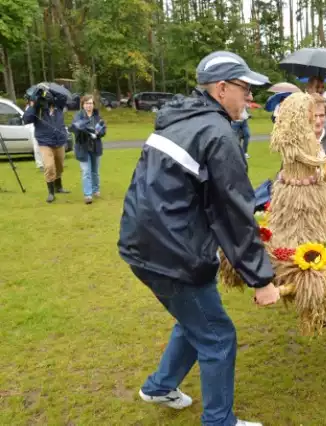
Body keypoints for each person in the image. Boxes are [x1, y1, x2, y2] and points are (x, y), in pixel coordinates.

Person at [118, 51, 280, 426]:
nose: (250, 98)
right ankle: (219, 421)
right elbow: (233, 215)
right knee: (218, 337)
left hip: (141, 244)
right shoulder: (217, 133)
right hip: (174, 254)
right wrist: (262, 279)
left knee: (195, 320)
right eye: (245, 88)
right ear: (222, 89)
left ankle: (160, 386)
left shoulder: (180, 119)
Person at [23, 84, 71, 203]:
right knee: (49, 166)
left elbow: (64, 97)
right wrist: (34, 103)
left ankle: (59, 187)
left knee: (59, 165)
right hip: (45, 142)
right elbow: (26, 119)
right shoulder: (38, 109)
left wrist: (50, 90)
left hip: (59, 140)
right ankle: (51, 192)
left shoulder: (58, 106)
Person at [70, 95, 106, 204]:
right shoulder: (78, 116)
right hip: (83, 147)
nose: (89, 105)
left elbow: (104, 131)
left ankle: (95, 190)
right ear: (83, 104)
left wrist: (98, 133)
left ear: (93, 104)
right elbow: (75, 128)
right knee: (86, 171)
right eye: (86, 103)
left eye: (90, 103)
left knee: (95, 172)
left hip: (95, 147)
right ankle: (88, 195)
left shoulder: (98, 117)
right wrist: (86, 131)